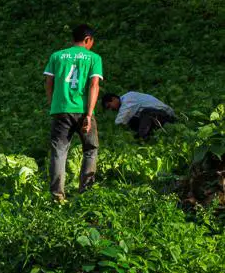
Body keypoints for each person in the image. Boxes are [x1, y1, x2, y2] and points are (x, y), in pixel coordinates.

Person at [43, 24, 103, 202]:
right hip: (83, 110)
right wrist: (89, 115)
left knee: (58, 152)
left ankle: (57, 196)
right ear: (87, 40)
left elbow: (48, 83)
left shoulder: (57, 56)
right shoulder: (94, 58)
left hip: (61, 109)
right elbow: (94, 85)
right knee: (90, 149)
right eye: (92, 41)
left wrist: (53, 104)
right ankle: (86, 192)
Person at [102, 92, 176, 139]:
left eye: (109, 106)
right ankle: (147, 136)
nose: (111, 109)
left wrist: (110, 132)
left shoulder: (128, 98)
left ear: (114, 99)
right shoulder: (126, 101)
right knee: (132, 120)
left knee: (146, 112)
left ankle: (142, 138)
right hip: (156, 116)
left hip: (165, 114)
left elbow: (120, 120)